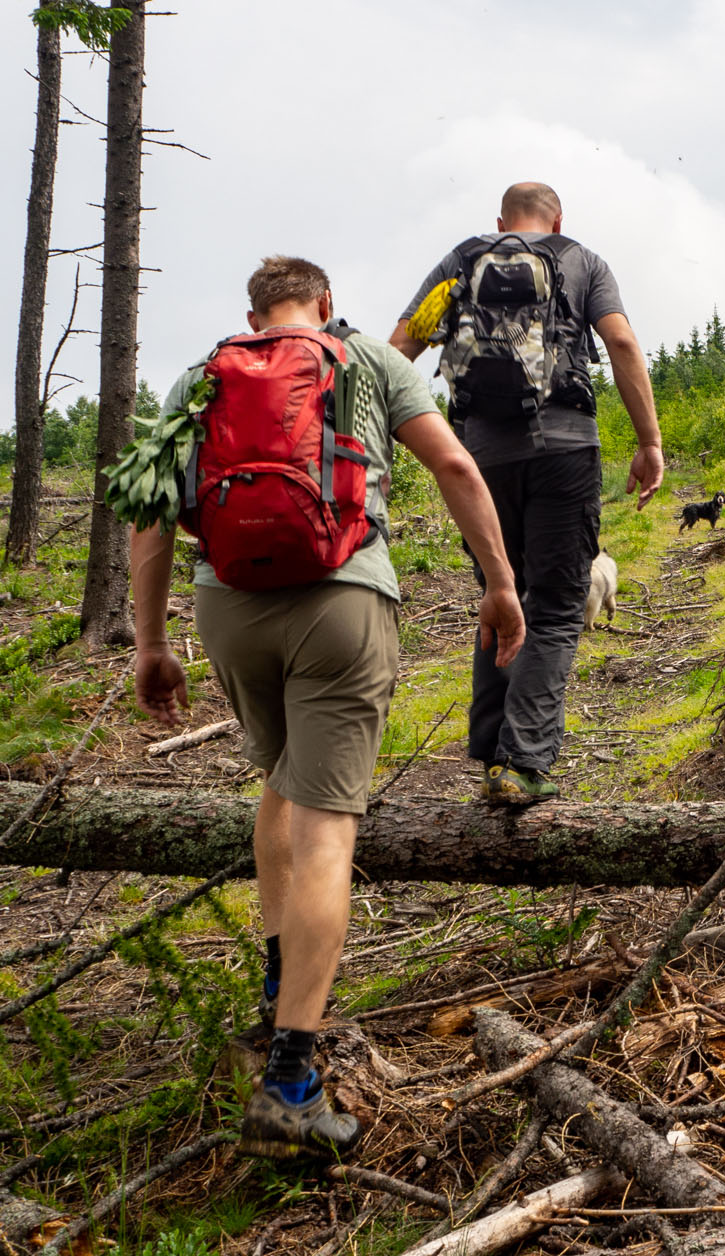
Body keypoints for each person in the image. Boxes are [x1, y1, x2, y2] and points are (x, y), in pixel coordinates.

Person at [132, 256, 526, 1159]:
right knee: (327, 827)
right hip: (343, 600)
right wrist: (499, 585)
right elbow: (457, 466)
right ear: (327, 304)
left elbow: (150, 514)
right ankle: (293, 1082)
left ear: (253, 315)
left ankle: (278, 989)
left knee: (282, 784)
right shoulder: (367, 362)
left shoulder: (203, 374)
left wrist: (152, 644)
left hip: (228, 606)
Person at [390, 182, 664, 803]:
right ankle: (522, 763)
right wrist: (649, 442)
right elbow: (620, 342)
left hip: (479, 457)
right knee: (560, 604)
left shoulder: (462, 259)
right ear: (558, 217)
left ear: (500, 221)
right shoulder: (581, 259)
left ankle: (492, 751)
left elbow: (401, 345)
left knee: (500, 589)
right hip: (565, 449)